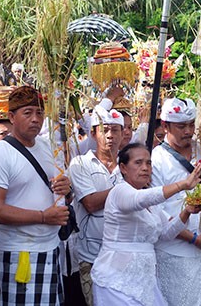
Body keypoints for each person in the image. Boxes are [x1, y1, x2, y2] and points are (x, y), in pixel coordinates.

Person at [0, 86, 72, 305]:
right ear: (12, 117)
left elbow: (59, 193)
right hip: (20, 251)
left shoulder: (48, 148)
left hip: (51, 247)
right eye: (27, 112)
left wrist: (66, 190)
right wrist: (43, 217)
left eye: (39, 113)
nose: (35, 119)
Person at [91, 143, 201, 305]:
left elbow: (167, 233)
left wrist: (187, 211)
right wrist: (182, 185)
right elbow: (139, 200)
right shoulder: (119, 191)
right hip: (115, 280)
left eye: (148, 163)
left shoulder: (151, 203)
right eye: (138, 163)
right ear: (123, 168)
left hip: (145, 282)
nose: (145, 168)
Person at [151, 98, 201, 306]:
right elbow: (158, 214)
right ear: (165, 126)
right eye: (181, 126)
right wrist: (195, 239)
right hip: (172, 252)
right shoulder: (155, 159)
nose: (188, 131)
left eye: (191, 125)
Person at [68, 106, 124, 305]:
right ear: (93, 133)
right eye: (104, 130)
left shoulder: (131, 164)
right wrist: (126, 190)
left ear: (123, 133)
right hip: (91, 256)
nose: (110, 135)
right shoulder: (80, 163)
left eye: (115, 130)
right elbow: (90, 203)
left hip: (124, 256)